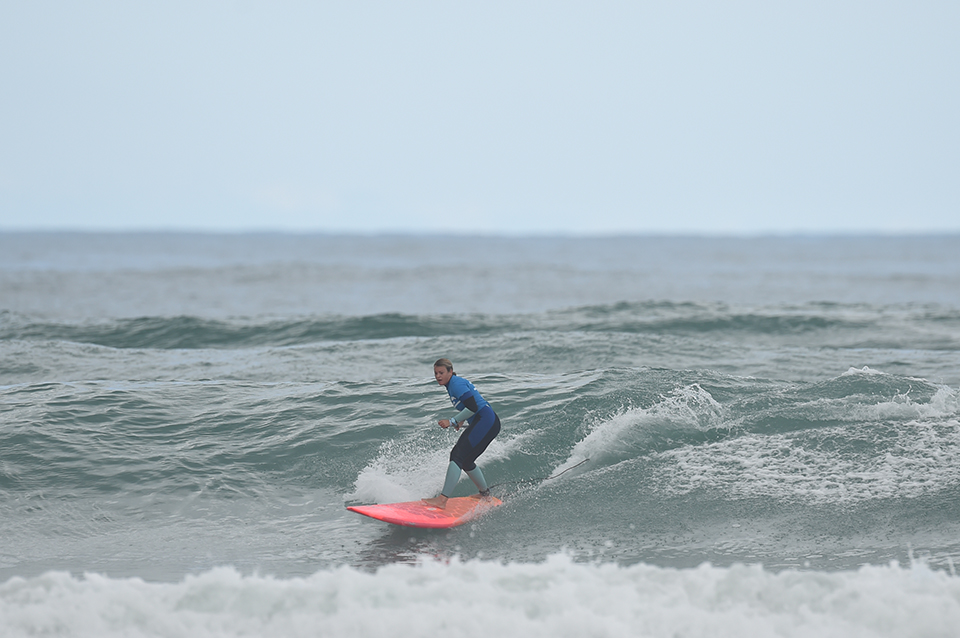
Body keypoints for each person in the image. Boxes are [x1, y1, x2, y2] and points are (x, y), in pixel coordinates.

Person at [422, 358, 501, 509]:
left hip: (485, 421)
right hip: (485, 421)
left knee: (457, 455)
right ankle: (485, 495)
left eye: (441, 372)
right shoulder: (451, 384)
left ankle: (442, 500)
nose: (438, 376)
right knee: (466, 461)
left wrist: (452, 421)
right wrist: (461, 420)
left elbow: (473, 406)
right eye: (436, 373)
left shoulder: (456, 384)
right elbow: (471, 407)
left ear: (450, 372)